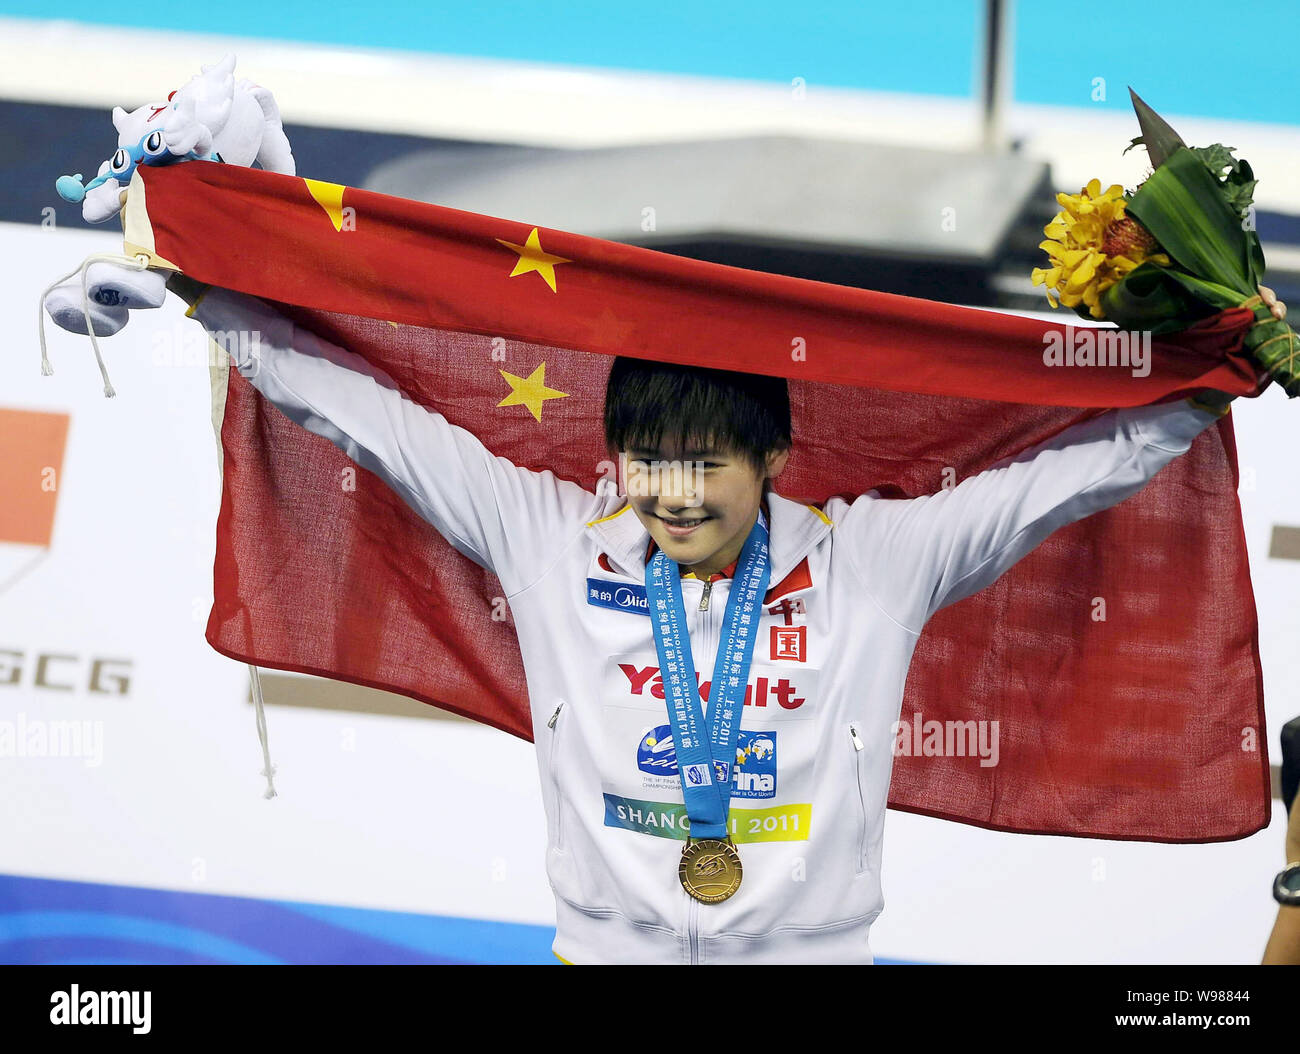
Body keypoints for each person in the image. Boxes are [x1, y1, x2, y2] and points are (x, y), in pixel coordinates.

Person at [161, 272, 1284, 965]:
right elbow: (372, 423)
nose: (674, 492)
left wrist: (1210, 375)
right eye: (649, 459)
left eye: (706, 463)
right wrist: (217, 296)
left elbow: (1065, 480)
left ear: (775, 459)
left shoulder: (876, 561)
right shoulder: (548, 538)